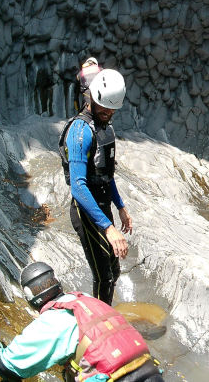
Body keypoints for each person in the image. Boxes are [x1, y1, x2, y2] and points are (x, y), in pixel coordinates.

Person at [0, 262, 163, 382]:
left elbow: (7, 366)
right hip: (152, 373)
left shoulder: (51, 323)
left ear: (30, 297)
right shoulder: (85, 299)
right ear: (56, 283)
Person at [59, 68, 132, 305]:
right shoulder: (80, 132)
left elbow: (106, 174)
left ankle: (104, 318)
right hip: (85, 209)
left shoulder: (105, 128)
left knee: (114, 272)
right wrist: (109, 228)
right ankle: (100, 331)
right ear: (93, 98)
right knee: (104, 278)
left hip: (103, 205)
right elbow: (79, 187)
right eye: (105, 107)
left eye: (113, 109)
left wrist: (120, 207)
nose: (108, 113)